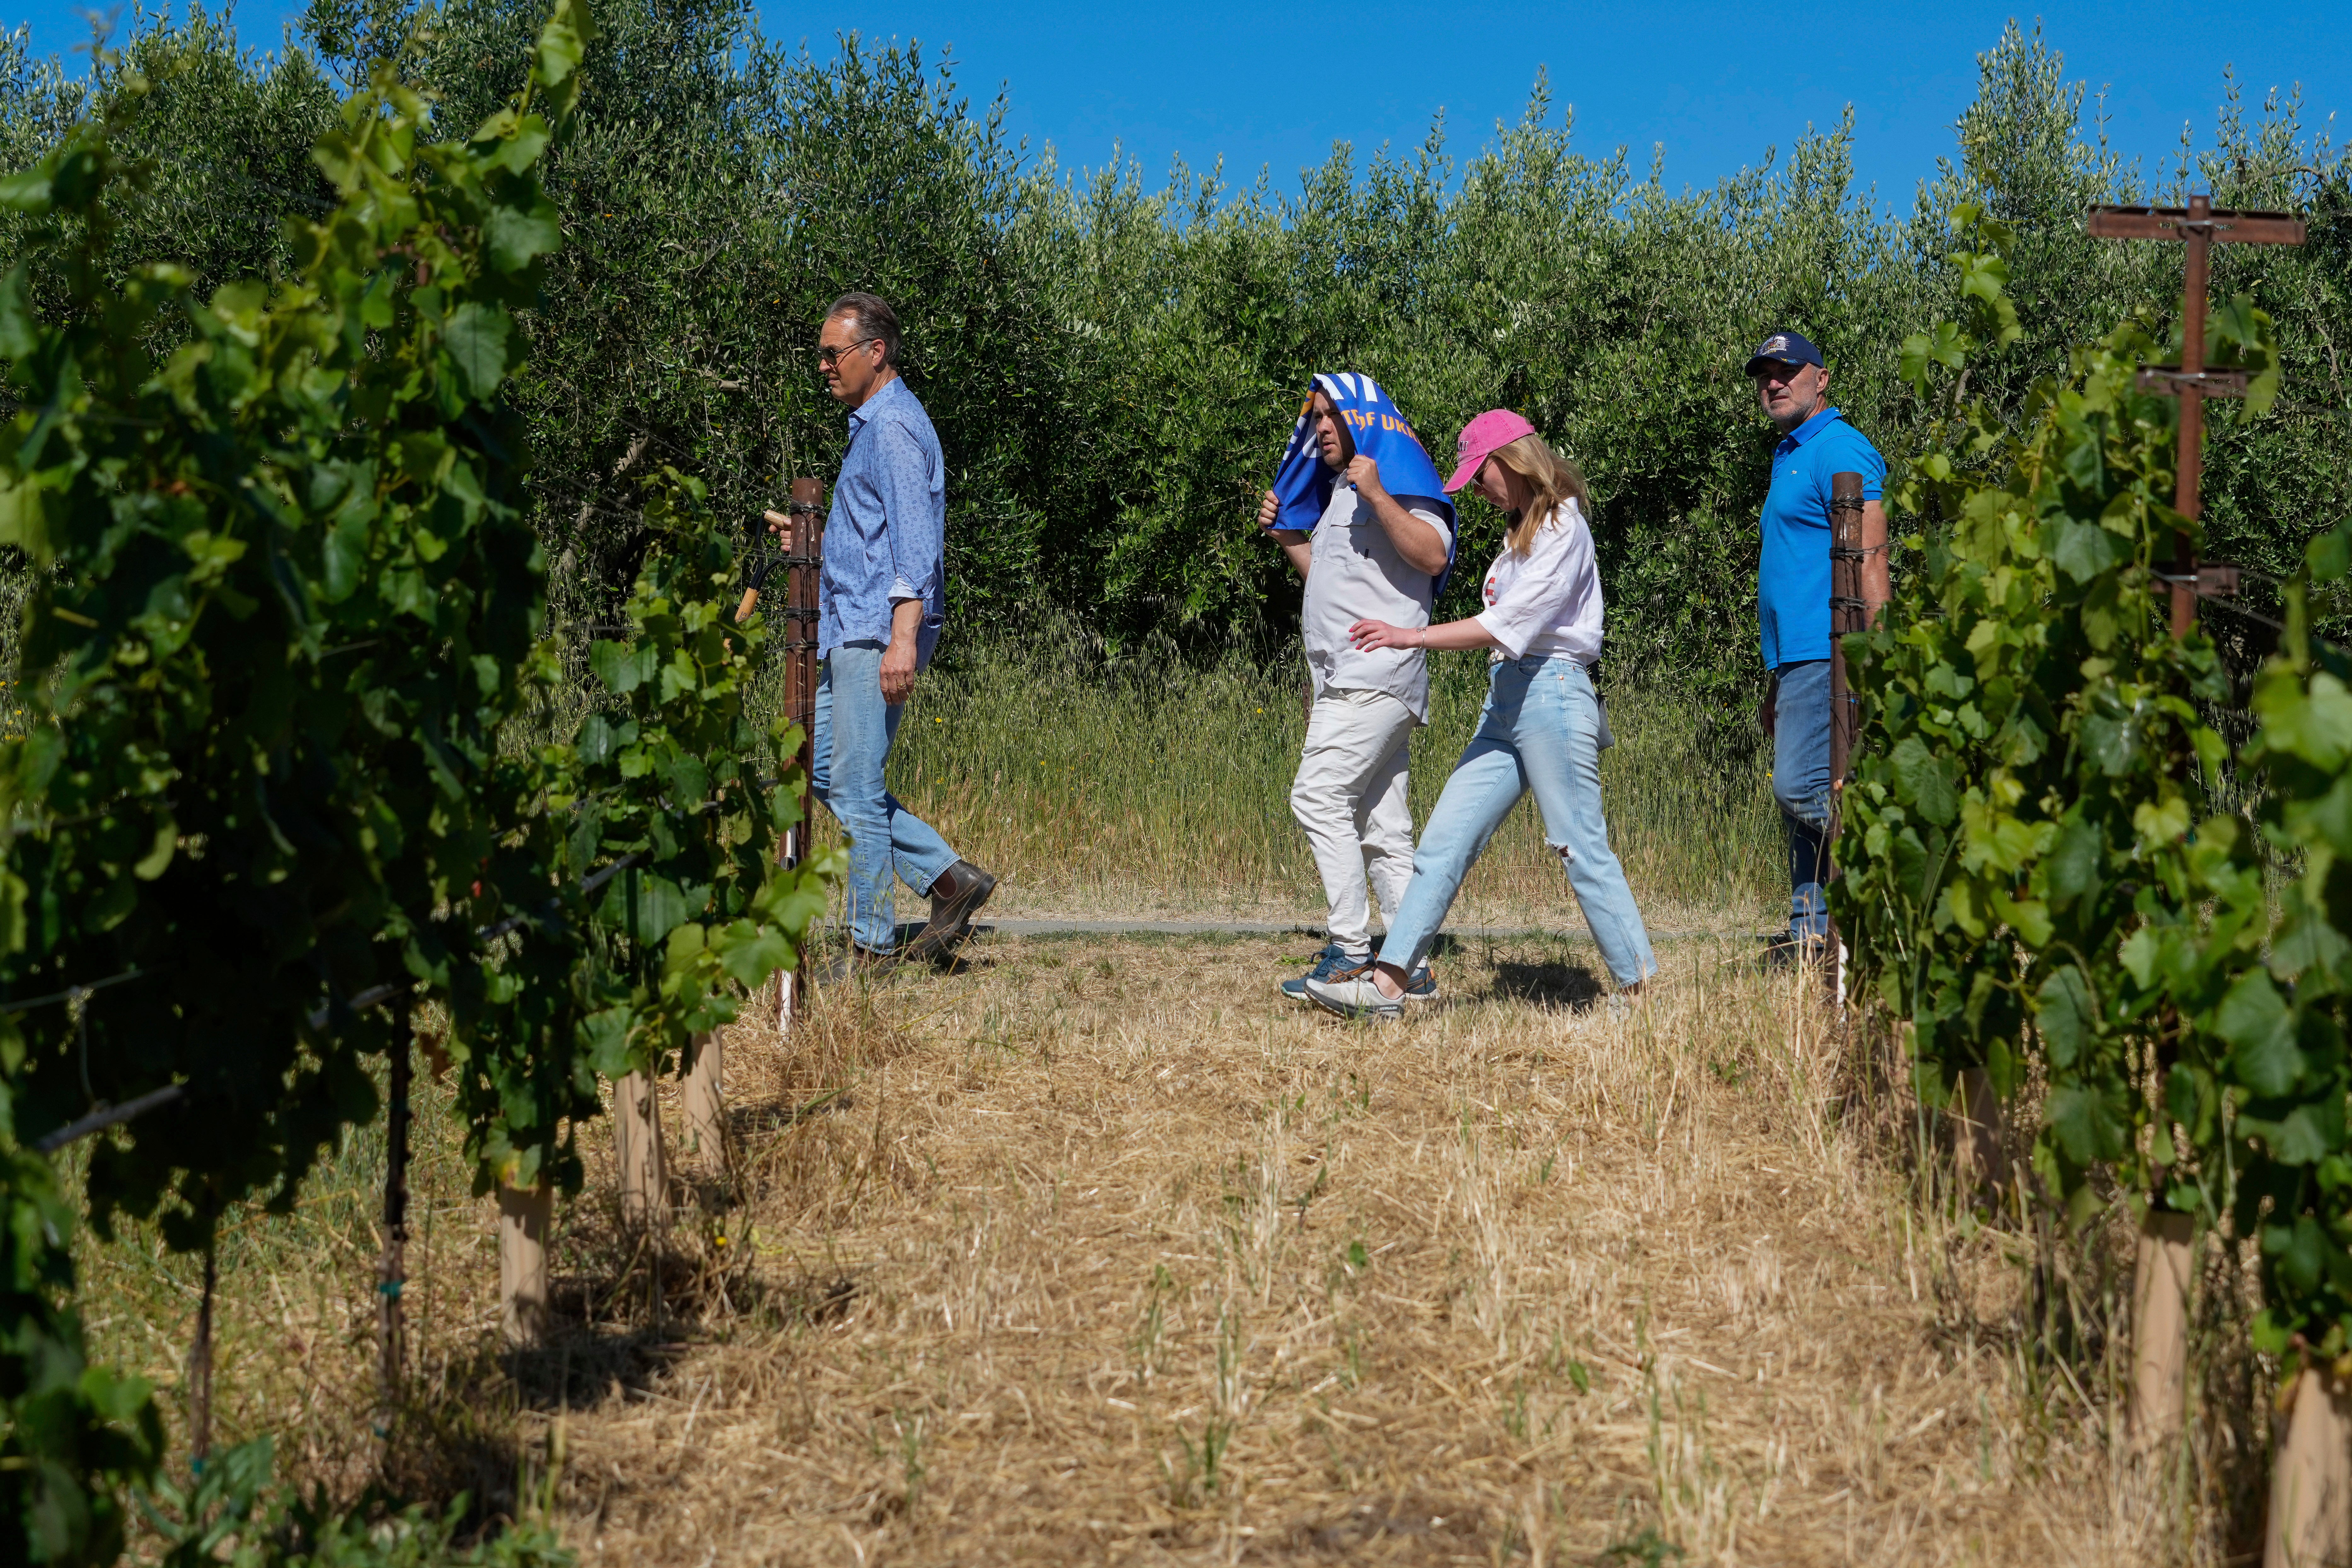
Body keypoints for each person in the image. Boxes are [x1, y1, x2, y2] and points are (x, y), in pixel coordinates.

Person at [1305, 411, 1656, 1022]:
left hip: (1554, 693)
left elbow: (1508, 625)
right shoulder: (1519, 533)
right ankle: (1390, 986)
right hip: (1508, 700)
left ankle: (1642, 994)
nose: (1479, 488)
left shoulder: (1564, 526)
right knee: (1443, 842)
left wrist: (1408, 637)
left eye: (1482, 473)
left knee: (1579, 845)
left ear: (1514, 461)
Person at [798, 292, 994, 977]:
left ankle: (869, 946)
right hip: (852, 627)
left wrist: (903, 637)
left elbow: (918, 545)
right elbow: (873, 535)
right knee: (822, 767)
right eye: (821, 353)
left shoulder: (892, 429)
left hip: (875, 633)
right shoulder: (872, 426)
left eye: (833, 353)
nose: (823, 366)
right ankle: (947, 879)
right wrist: (808, 538)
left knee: (853, 788)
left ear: (874, 353)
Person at [1259, 373, 1456, 1003]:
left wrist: (1377, 490)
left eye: (1331, 416)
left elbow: (1433, 553)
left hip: (1374, 677)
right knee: (1380, 824)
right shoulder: (1342, 493)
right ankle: (1410, 963)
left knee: (1316, 796)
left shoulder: (1391, 481)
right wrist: (1288, 535)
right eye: (1315, 417)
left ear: (1362, 422)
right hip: (1349, 679)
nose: (1319, 427)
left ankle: (1349, 949)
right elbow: (1330, 582)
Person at [1743, 331, 1888, 963]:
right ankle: (1812, 933)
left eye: (1788, 371)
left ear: (1821, 378)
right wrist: (1775, 684)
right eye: (1765, 374)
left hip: (1831, 653)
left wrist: (1875, 659)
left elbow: (1872, 562)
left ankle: (1879, 897)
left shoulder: (1841, 448)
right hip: (1795, 660)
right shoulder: (1791, 453)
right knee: (1804, 800)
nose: (1774, 382)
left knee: (1802, 791)